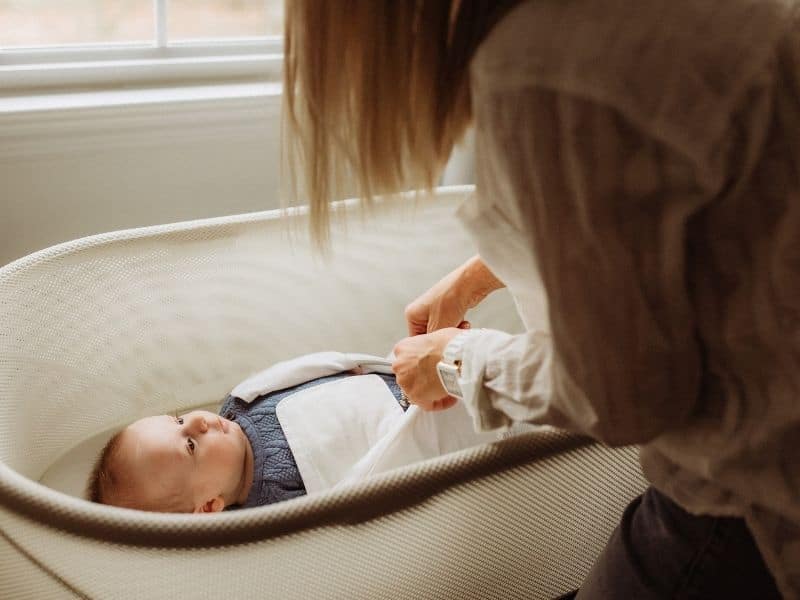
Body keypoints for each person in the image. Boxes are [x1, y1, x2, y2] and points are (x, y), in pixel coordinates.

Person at [282, 0, 800, 597]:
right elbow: (668, 212)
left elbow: (626, 390)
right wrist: (483, 272)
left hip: (755, 494)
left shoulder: (543, 64)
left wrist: (455, 361)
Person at [87, 352, 509, 512]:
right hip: (413, 428)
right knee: (496, 414)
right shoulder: (276, 507)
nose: (196, 422)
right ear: (209, 506)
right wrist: (415, 427)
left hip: (394, 381)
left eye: (177, 420)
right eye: (191, 446)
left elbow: (287, 374)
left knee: (487, 367)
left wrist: (342, 364)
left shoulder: (237, 404)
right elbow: (360, 487)